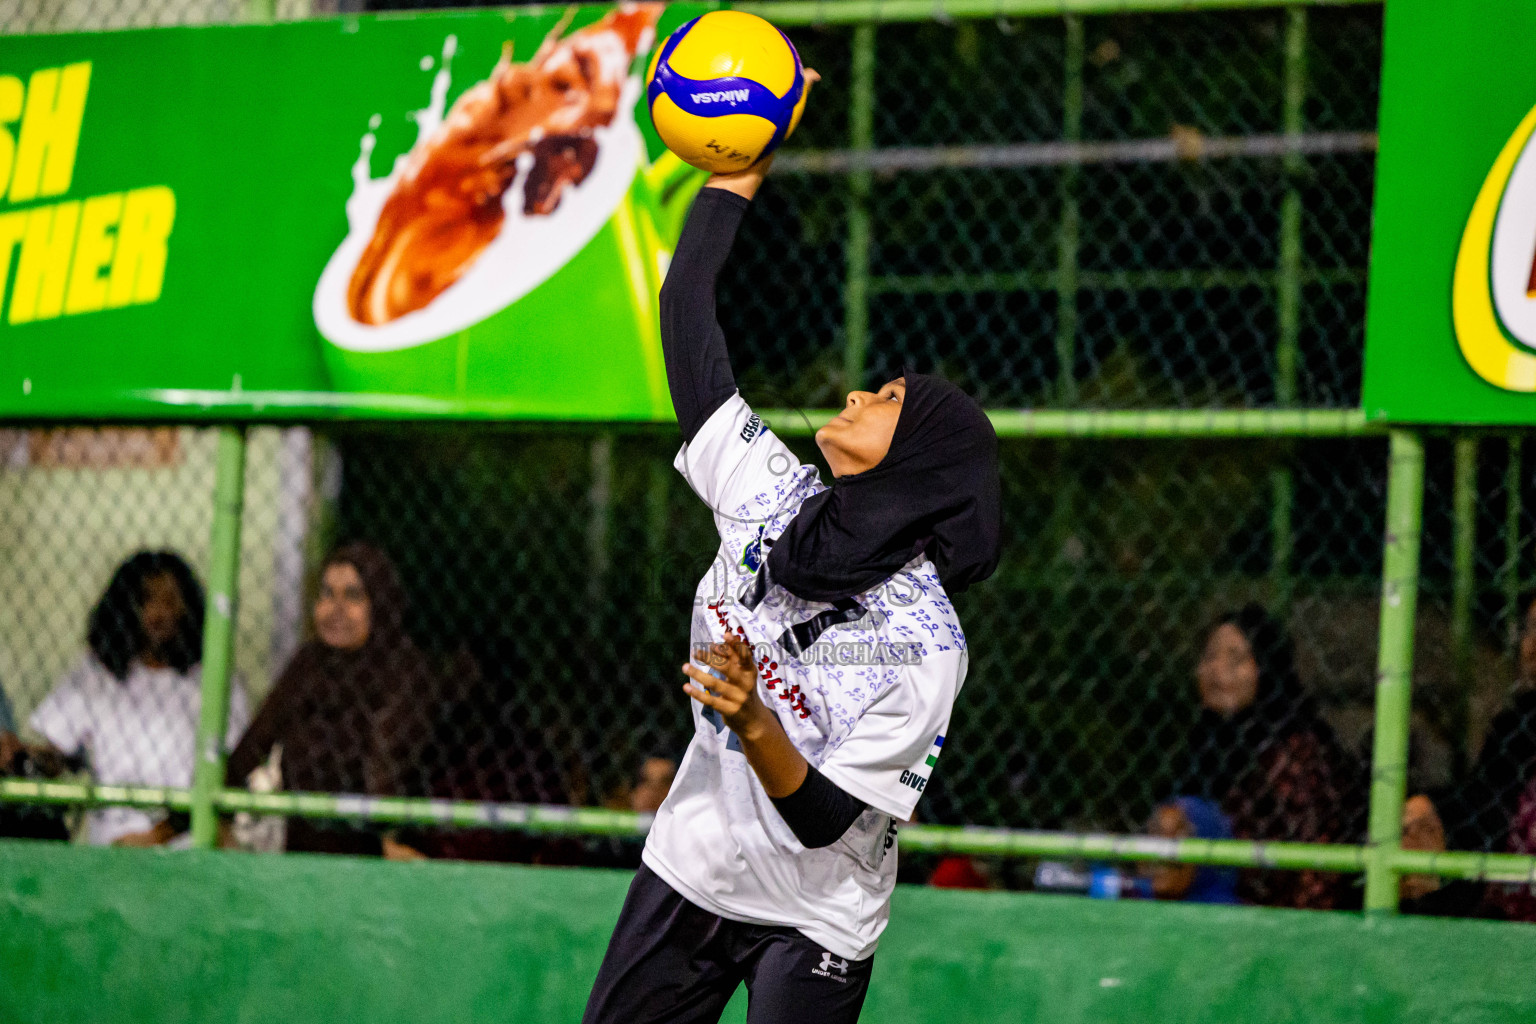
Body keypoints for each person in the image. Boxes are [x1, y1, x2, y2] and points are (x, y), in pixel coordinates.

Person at [582, 87, 1003, 1024]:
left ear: (921, 457)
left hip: (817, 915)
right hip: (695, 862)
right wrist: (739, 170)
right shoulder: (772, 493)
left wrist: (757, 717)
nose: (856, 392)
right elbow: (687, 307)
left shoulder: (926, 646)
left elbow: (824, 822)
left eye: (888, 396)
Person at [226, 542, 437, 859]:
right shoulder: (309, 665)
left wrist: (386, 840)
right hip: (303, 856)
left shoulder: (403, 673)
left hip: (377, 860)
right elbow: (252, 746)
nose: (335, 609)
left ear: (380, 604)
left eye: (353, 596)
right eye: (326, 594)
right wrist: (182, 825)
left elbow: (385, 778)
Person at [27, 551, 249, 846]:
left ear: (188, 607)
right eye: (146, 600)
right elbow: (56, 754)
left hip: (187, 846)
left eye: (170, 600)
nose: (159, 613)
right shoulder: (97, 675)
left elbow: (232, 773)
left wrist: (156, 836)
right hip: (113, 845)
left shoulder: (214, 681)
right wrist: (25, 756)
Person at [1175, 603, 1361, 909]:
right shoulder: (1203, 744)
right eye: (1209, 657)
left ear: (1267, 668)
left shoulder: (1296, 753)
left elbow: (1315, 872)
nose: (1217, 670)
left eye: (1236, 659)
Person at [1141, 797, 1240, 904]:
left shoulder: (1224, 912)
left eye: (1175, 838)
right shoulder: (1136, 900)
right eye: (1156, 834)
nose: (1161, 854)